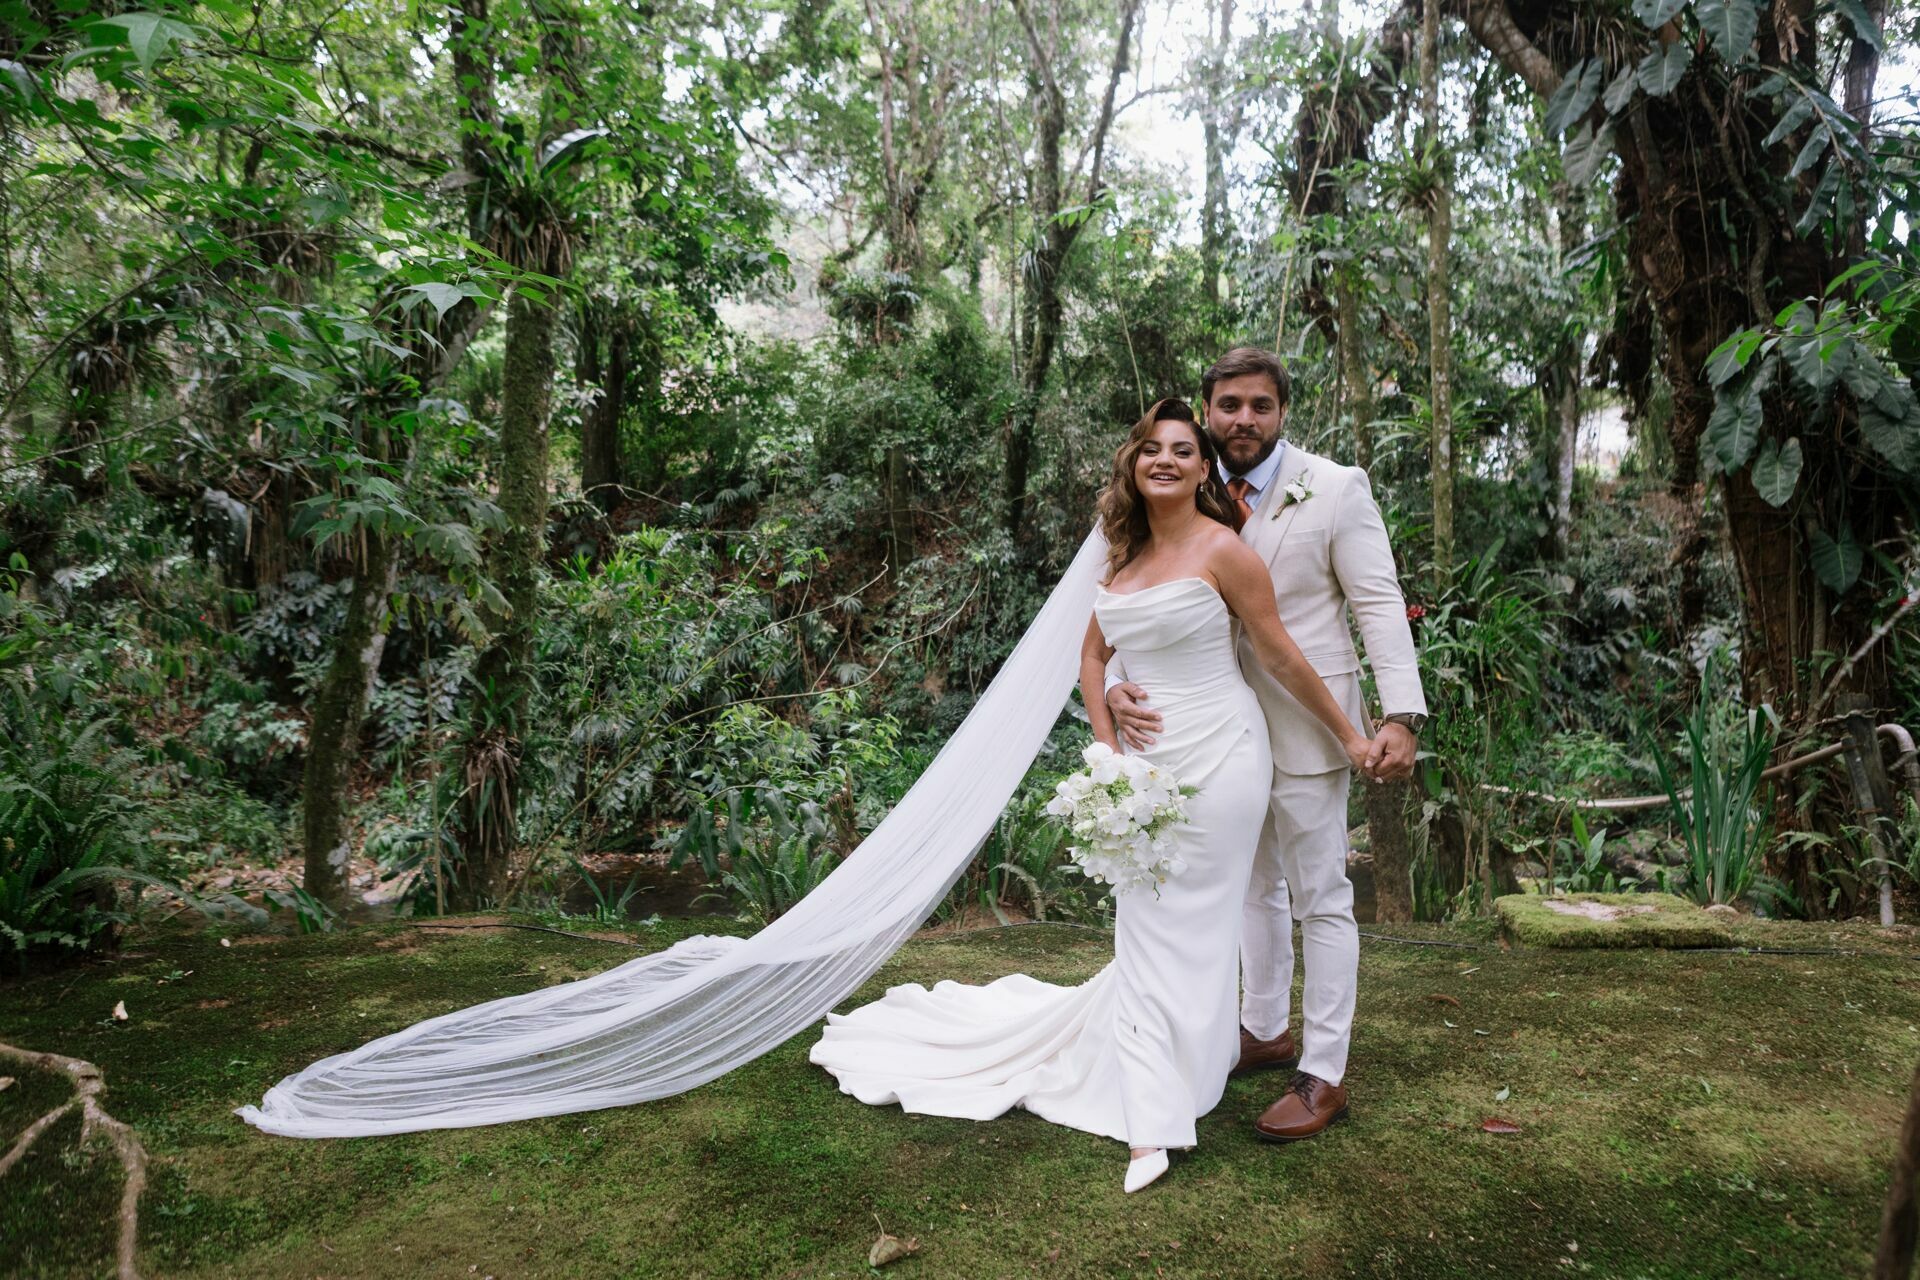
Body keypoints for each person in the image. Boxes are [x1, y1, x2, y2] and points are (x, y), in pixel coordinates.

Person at [808, 397, 1376, 1192]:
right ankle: (1157, 1085)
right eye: (1151, 450)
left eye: (1183, 449)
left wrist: (1353, 737)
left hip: (1224, 758)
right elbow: (1090, 659)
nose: (1167, 460)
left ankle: (1160, 1110)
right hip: (1145, 765)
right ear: (1133, 469)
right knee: (1143, 920)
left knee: (1199, 921)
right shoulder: (1119, 563)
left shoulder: (1226, 551)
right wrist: (1110, 754)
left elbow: (1278, 655)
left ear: (1203, 467)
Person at [1106, 348, 1427, 1144]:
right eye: (1228, 406)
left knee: (1320, 896)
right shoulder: (1187, 490)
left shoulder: (1337, 487)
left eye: (1259, 405)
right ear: (1207, 411)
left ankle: (1324, 1073)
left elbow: (1379, 607)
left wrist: (1400, 718)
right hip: (1212, 739)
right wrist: (1115, 681)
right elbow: (1145, 602)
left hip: (1313, 729)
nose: (1241, 420)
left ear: (1283, 411)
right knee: (1251, 891)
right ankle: (1262, 1029)